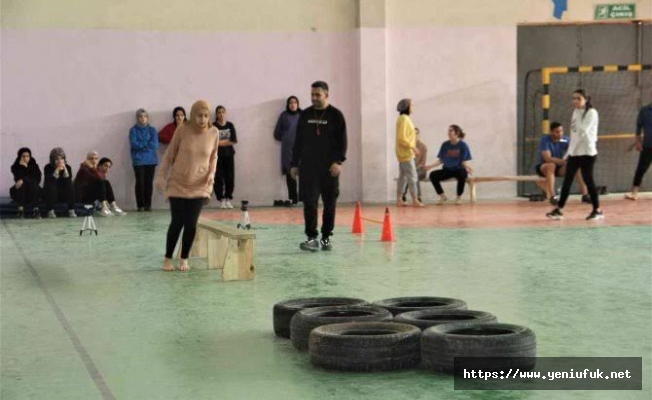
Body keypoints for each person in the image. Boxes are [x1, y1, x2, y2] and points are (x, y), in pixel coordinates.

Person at [156, 100, 219, 272]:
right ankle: (168, 258)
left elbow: (214, 157)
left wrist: (211, 175)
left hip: (200, 185)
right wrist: (161, 176)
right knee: (177, 222)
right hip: (178, 183)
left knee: (191, 223)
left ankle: (184, 258)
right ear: (193, 114)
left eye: (206, 116)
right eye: (199, 115)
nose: (203, 119)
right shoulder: (182, 129)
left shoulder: (214, 132)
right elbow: (170, 154)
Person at [290, 81, 347, 252]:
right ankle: (312, 238)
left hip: (329, 168)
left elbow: (342, 141)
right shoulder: (305, 114)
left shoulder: (336, 115)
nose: (314, 98)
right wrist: (294, 164)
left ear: (326, 95)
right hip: (308, 168)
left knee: (330, 205)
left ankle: (326, 239)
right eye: (312, 95)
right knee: (310, 203)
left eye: (318, 95)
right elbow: (298, 142)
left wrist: (338, 162)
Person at [547, 89, 603, 220]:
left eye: (578, 98)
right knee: (567, 181)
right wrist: (569, 153)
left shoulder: (592, 112)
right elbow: (574, 134)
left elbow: (583, 131)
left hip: (588, 153)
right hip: (575, 153)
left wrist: (578, 118)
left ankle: (597, 210)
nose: (575, 101)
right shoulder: (575, 112)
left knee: (589, 181)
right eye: (573, 98)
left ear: (586, 99)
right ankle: (559, 210)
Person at [534, 122, 589, 205]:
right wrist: (562, 161)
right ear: (551, 132)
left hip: (559, 167)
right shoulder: (545, 140)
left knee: (577, 165)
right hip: (544, 167)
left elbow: (573, 150)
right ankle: (553, 196)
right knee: (551, 165)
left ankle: (585, 195)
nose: (560, 134)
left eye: (561, 131)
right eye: (557, 132)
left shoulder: (565, 140)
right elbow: (547, 158)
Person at [427, 125, 473, 205]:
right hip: (447, 170)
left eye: (451, 131)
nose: (449, 133)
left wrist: (468, 167)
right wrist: (430, 166)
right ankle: (442, 196)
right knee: (433, 175)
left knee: (462, 175)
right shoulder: (445, 145)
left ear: (457, 133)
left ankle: (458, 197)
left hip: (458, 169)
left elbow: (463, 162)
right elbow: (441, 160)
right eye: (448, 131)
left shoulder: (463, 145)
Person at [73, 152, 126, 216]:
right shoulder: (84, 169)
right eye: (91, 159)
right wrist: (91, 167)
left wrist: (93, 168)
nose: (94, 160)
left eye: (96, 159)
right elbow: (99, 179)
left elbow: (101, 180)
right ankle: (104, 207)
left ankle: (113, 206)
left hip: (89, 195)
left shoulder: (96, 170)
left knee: (106, 182)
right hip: (81, 197)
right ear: (87, 160)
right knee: (101, 181)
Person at [395, 98, 424, 207]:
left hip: (403, 153)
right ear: (407, 107)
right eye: (411, 105)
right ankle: (415, 199)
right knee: (412, 176)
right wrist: (413, 147)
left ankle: (399, 199)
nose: (413, 107)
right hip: (406, 153)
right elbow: (402, 138)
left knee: (403, 176)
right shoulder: (404, 119)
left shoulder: (403, 118)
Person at [274, 96, 302, 206]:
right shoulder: (283, 116)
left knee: (304, 174)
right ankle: (293, 200)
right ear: (288, 104)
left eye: (295, 102)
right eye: (291, 102)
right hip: (287, 151)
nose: (293, 104)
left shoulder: (303, 115)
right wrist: (286, 139)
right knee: (291, 175)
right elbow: (276, 133)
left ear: (298, 104)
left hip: (301, 149)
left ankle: (304, 199)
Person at [129, 108, 158, 211]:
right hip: (138, 161)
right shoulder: (133, 130)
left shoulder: (152, 130)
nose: (143, 118)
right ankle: (140, 205)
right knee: (140, 183)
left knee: (149, 184)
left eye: (145, 116)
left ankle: (148, 205)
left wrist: (141, 145)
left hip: (151, 161)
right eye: (140, 116)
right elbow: (134, 144)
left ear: (147, 118)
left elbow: (154, 144)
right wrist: (146, 144)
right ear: (137, 118)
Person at [625, 102, 652, 200]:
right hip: (648, 145)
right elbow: (638, 128)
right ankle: (634, 193)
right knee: (641, 169)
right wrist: (638, 142)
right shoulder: (644, 111)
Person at [213, 105, 238, 209]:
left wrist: (219, 142)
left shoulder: (230, 125)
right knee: (218, 178)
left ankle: (228, 198)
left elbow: (234, 140)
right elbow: (211, 141)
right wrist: (223, 142)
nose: (221, 114)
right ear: (216, 114)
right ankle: (221, 199)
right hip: (216, 156)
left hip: (229, 155)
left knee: (230, 177)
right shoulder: (213, 126)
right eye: (219, 112)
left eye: (223, 112)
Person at [43, 147, 76, 218]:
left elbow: (68, 182)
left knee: (71, 186)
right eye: (57, 159)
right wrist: (57, 170)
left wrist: (65, 170)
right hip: (51, 193)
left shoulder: (68, 167)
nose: (60, 161)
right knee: (51, 188)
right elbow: (50, 182)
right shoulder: (48, 167)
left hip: (63, 193)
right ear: (52, 160)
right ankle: (50, 211)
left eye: (61, 158)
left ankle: (71, 209)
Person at [10, 147, 42, 219]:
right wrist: (23, 167)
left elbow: (37, 179)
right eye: (23, 156)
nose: (25, 158)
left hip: (33, 191)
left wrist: (24, 178)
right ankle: (21, 210)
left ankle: (35, 210)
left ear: (30, 157)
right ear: (20, 157)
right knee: (21, 185)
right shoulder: (15, 167)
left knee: (34, 185)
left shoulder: (35, 166)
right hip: (21, 191)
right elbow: (18, 179)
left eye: (27, 156)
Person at [402, 128, 427, 203]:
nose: (415, 135)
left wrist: (414, 168)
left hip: (420, 170)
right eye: (413, 133)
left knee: (414, 175)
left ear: (419, 135)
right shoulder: (409, 146)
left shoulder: (423, 146)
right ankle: (403, 195)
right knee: (408, 175)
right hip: (410, 169)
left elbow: (423, 162)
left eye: (416, 133)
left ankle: (418, 197)